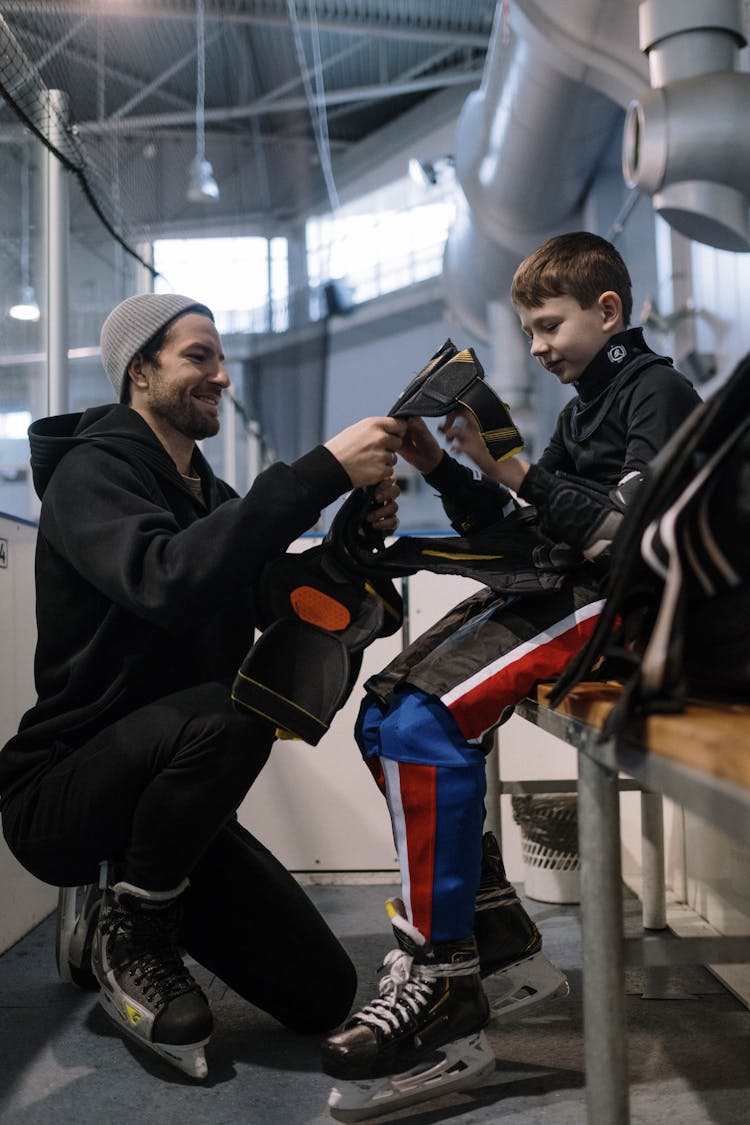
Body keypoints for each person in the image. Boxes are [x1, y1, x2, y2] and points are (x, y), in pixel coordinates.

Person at [321, 232, 702, 1120]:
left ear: (607, 311)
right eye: (529, 329)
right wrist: (440, 467)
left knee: (422, 724)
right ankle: (491, 929)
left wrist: (518, 468)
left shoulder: (659, 391)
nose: (534, 347)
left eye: (547, 325)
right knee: (382, 716)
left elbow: (630, 539)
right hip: (570, 593)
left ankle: (443, 979)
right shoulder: (583, 410)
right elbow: (528, 526)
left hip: (627, 610)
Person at [0, 292, 406, 1080]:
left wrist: (354, 536)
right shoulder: (90, 475)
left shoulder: (211, 501)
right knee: (235, 711)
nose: (221, 375)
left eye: (221, 360)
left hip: (167, 800)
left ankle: (132, 895)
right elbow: (168, 581)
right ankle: (133, 928)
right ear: (139, 369)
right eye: (197, 356)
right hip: (62, 792)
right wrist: (319, 470)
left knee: (322, 993)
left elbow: (276, 594)